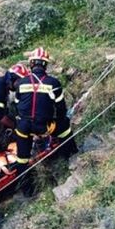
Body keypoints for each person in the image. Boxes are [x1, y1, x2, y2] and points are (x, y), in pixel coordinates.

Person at [13, 47, 78, 196]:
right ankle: (71, 155)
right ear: (45, 65)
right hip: (44, 126)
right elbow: (61, 109)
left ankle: (27, 191)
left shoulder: (21, 83)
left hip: (23, 127)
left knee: (22, 159)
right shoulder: (53, 83)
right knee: (65, 127)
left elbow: (17, 106)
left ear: (31, 64)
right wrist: (56, 121)